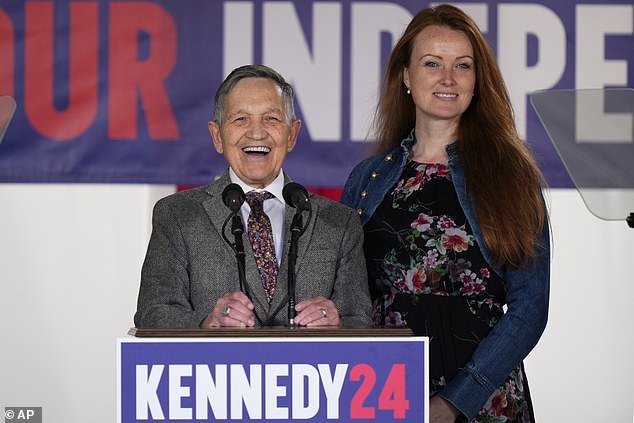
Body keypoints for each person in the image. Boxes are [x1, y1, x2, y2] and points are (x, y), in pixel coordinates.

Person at [340, 4, 550, 423]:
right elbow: (342, 293)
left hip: (484, 403)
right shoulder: (367, 177)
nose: (448, 79)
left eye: (463, 66)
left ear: (477, 79)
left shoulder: (513, 176)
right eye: (432, 63)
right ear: (405, 74)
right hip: (384, 393)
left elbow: (531, 309)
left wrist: (456, 401)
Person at [135, 64, 372, 329]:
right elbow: (152, 314)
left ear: (292, 134)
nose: (257, 132)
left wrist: (337, 323)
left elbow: (360, 320)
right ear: (217, 136)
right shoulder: (177, 214)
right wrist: (206, 322)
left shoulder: (339, 222)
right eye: (240, 119)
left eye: (271, 118)